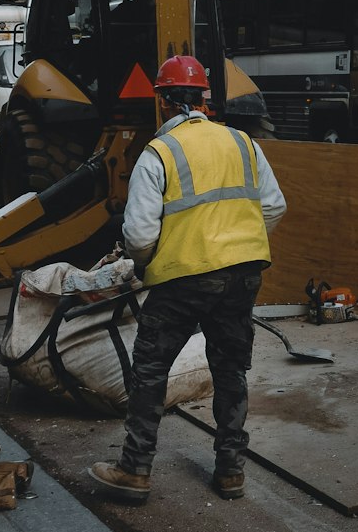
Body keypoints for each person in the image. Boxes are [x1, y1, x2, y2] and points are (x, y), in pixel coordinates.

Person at [88, 54, 286, 505]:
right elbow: (274, 207)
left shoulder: (158, 153)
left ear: (162, 102)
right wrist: (239, 243)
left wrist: (148, 262)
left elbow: (139, 233)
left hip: (183, 283)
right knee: (230, 369)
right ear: (204, 100)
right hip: (243, 276)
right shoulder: (242, 143)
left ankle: (134, 470)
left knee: (151, 368)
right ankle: (231, 472)